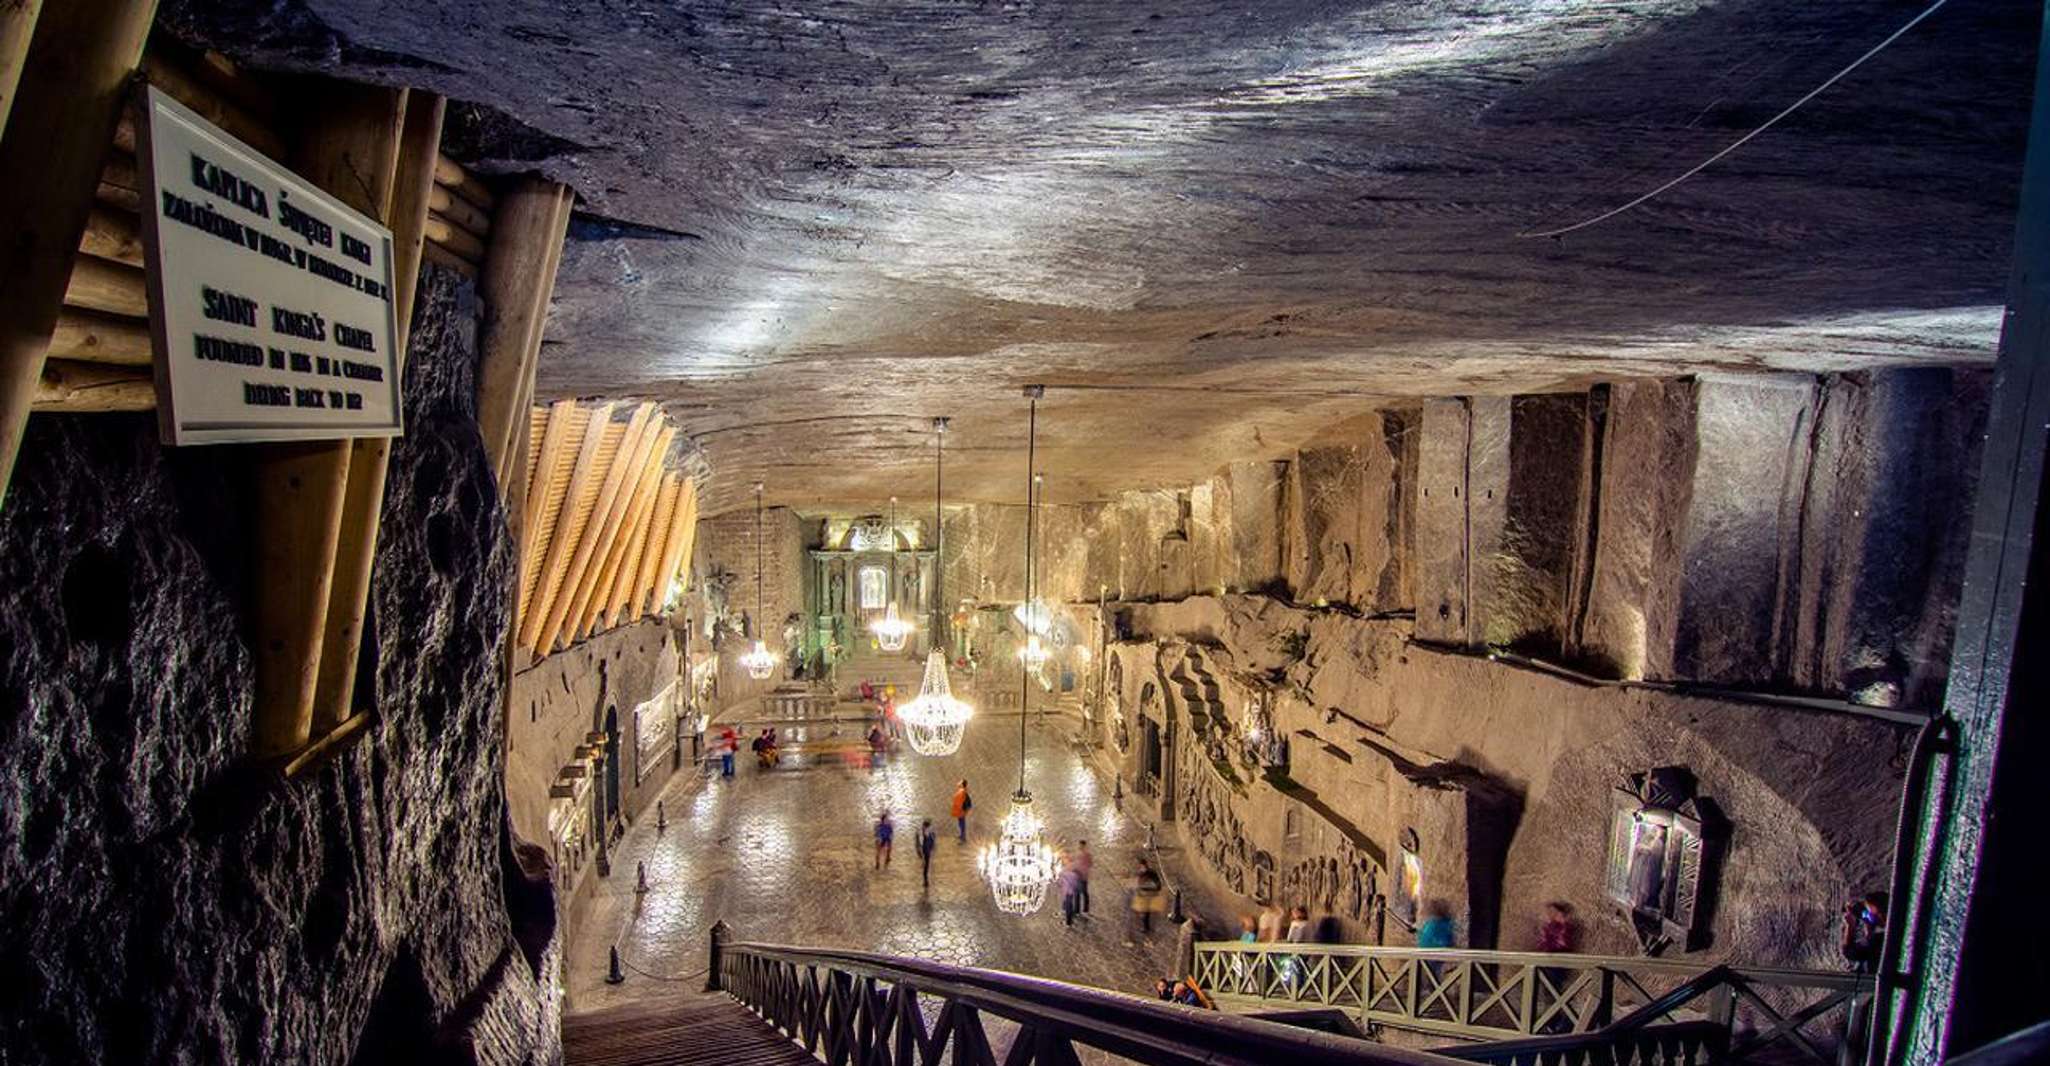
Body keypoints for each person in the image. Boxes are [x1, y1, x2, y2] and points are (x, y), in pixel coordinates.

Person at [1841, 891, 1888, 972]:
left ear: (1882, 915)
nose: (1867, 918)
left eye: (1870, 915)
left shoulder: (1879, 941)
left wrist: (1850, 926)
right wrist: (1869, 933)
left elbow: (1849, 952)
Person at [1132, 857, 1166, 933]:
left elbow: (1157, 884)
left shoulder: (1148, 873)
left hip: (1147, 894)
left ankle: (1146, 927)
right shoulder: (1143, 873)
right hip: (1145, 893)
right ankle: (1145, 926)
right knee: (1145, 911)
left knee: (1145, 912)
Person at [1071, 840, 1094, 915]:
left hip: (1083, 876)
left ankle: (1085, 909)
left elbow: (1090, 864)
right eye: (1079, 845)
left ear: (1084, 846)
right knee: (1077, 893)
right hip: (1077, 875)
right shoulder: (1077, 854)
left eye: (1081, 845)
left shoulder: (1087, 854)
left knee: (1083, 892)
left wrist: (1084, 870)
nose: (1080, 846)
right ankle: (1077, 909)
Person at [916, 818, 938, 888]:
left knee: (927, 865)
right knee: (926, 865)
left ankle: (926, 879)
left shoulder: (931, 832)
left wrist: (933, 848)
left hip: (928, 850)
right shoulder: (920, 834)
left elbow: (933, 841)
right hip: (924, 850)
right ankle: (925, 880)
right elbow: (919, 845)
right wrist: (921, 856)